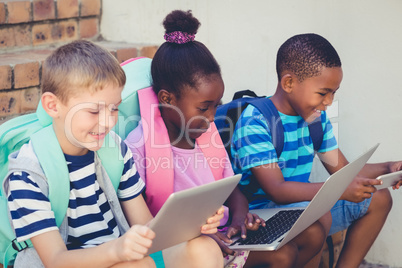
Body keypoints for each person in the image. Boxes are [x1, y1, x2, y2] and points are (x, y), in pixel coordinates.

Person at [125, 10, 325, 268]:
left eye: (216, 105)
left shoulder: (205, 135)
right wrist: (201, 234)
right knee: (282, 256)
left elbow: (231, 187)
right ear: (167, 99)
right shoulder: (139, 144)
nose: (211, 117)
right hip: (177, 248)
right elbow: (138, 219)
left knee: (313, 233)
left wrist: (240, 218)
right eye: (203, 108)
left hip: (222, 235)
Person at [3, 40, 225, 268]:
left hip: (117, 255)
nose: (107, 122)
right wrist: (118, 250)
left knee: (204, 249)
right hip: (70, 262)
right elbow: (56, 260)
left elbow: (146, 226)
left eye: (114, 108)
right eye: (93, 111)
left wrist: (191, 224)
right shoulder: (28, 173)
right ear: (53, 106)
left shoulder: (114, 149)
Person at [231, 33, 402, 267]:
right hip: (259, 217)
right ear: (289, 83)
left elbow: (342, 170)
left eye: (334, 92)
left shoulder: (315, 119)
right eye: (323, 93)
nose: (329, 101)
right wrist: (338, 191)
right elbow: (277, 191)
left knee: (378, 198)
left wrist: (388, 168)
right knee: (318, 216)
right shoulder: (257, 121)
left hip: (299, 208)